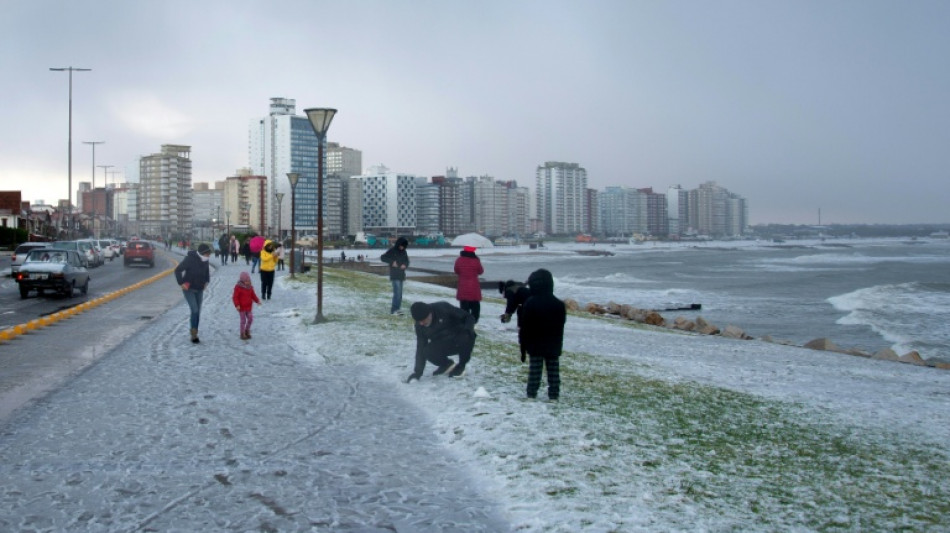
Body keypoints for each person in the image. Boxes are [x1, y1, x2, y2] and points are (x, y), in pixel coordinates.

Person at [521, 268, 566, 401]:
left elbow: (525, 326)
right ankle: (554, 394)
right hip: (553, 342)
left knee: (535, 370)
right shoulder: (559, 304)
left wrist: (523, 346)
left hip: (535, 343)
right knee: (553, 371)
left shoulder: (530, 303)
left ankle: (531, 393)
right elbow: (561, 324)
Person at [406, 301, 476, 382]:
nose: (421, 323)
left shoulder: (443, 308)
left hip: (460, 337)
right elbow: (420, 347)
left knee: (465, 336)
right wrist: (417, 373)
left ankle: (461, 366)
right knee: (427, 351)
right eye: (419, 321)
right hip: (443, 343)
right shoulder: (420, 326)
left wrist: (467, 330)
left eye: (423, 319)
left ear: (429, 313)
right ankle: (446, 364)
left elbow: (469, 317)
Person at [174, 243, 213, 343]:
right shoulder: (190, 259)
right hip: (189, 289)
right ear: (202, 253)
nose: (208, 256)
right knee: (194, 310)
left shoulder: (205, 260)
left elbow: (206, 272)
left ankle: (194, 333)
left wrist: (206, 281)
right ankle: (193, 334)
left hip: (199, 289)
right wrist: (181, 283)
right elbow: (177, 270)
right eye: (207, 254)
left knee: (197, 311)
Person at [499, 279, 531, 362]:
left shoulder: (510, 291)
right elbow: (515, 303)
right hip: (531, 303)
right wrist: (508, 313)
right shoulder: (519, 288)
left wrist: (507, 314)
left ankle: (521, 328)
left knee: (521, 314)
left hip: (526, 305)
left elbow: (511, 304)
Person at [454, 245, 484, 322]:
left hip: (463, 286)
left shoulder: (459, 260)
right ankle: (474, 320)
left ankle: (465, 321)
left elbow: (456, 271)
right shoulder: (476, 260)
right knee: (475, 306)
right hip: (473, 286)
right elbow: (480, 271)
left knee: (464, 306)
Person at [380, 237, 410, 315]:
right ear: (399, 244)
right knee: (397, 293)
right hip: (394, 274)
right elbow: (382, 257)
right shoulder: (392, 250)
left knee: (400, 294)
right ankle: (394, 310)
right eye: (401, 245)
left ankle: (397, 309)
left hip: (401, 275)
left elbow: (407, 261)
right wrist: (392, 262)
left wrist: (405, 265)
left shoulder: (404, 252)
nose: (402, 247)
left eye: (404, 246)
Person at [232, 271, 261, 340]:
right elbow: (235, 297)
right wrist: (237, 305)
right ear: (242, 281)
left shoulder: (250, 287)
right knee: (243, 320)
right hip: (241, 308)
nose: (247, 282)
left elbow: (253, 295)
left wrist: (257, 301)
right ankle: (242, 333)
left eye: (248, 281)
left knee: (250, 319)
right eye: (246, 281)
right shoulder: (238, 287)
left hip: (248, 307)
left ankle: (247, 330)